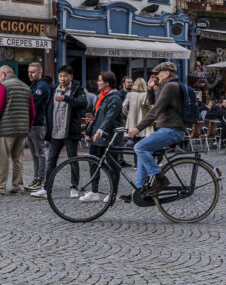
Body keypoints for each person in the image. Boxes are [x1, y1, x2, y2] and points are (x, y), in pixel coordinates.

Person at [127, 62, 188, 199]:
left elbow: (154, 111)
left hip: (171, 130)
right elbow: (152, 103)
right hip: (168, 129)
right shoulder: (167, 86)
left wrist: (138, 128)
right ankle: (139, 190)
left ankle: (159, 178)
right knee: (144, 151)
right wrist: (150, 88)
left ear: (166, 73)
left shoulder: (171, 86)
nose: (156, 76)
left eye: (158, 74)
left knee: (140, 147)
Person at [31, 65, 87, 198]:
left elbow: (82, 103)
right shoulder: (52, 89)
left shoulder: (76, 89)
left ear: (71, 77)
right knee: (51, 160)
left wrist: (67, 98)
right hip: (55, 131)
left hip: (69, 132)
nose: (63, 79)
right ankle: (46, 189)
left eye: (66, 76)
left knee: (72, 159)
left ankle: (74, 187)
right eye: (61, 76)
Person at [80, 71, 123, 202]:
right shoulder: (101, 96)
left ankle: (112, 193)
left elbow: (109, 118)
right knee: (93, 164)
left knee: (112, 166)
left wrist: (99, 131)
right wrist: (89, 132)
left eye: (100, 81)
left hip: (109, 137)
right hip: (97, 137)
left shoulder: (115, 97)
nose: (97, 83)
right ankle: (94, 191)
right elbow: (96, 116)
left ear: (107, 83)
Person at [0, 65, 33, 195]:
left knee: (3, 159)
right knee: (18, 160)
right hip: (22, 130)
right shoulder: (26, 87)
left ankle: (0, 187)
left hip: (5, 130)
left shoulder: (3, 87)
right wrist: (27, 126)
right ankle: (18, 186)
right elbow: (32, 111)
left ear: (4, 74)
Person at [26, 62, 52, 190]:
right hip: (30, 123)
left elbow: (33, 103)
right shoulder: (34, 85)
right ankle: (36, 178)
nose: (30, 74)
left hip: (37, 124)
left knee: (40, 153)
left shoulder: (42, 86)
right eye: (29, 72)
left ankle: (42, 180)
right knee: (35, 154)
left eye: (33, 72)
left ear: (40, 73)